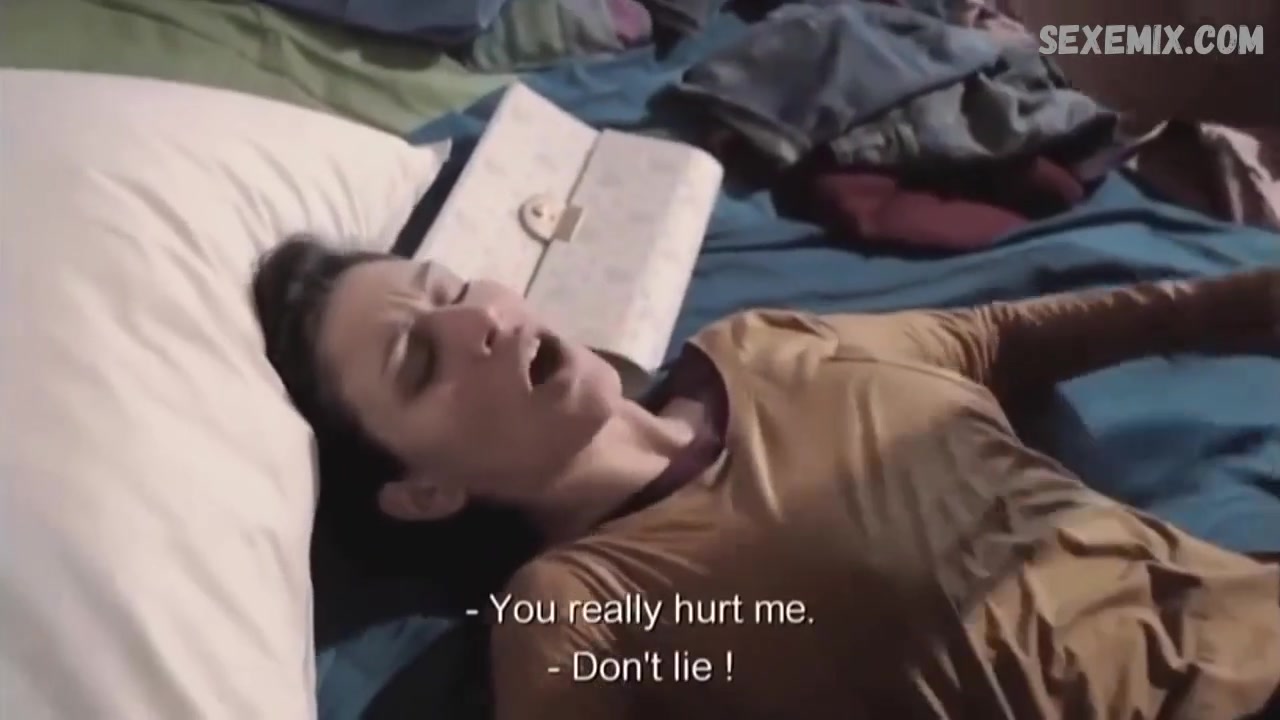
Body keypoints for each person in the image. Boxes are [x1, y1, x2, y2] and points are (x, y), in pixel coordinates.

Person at [253, 236, 1280, 720]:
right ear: (426, 492)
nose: (477, 317)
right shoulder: (577, 609)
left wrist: (1231, 307)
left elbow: (996, 335)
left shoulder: (766, 342)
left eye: (445, 287)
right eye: (417, 360)